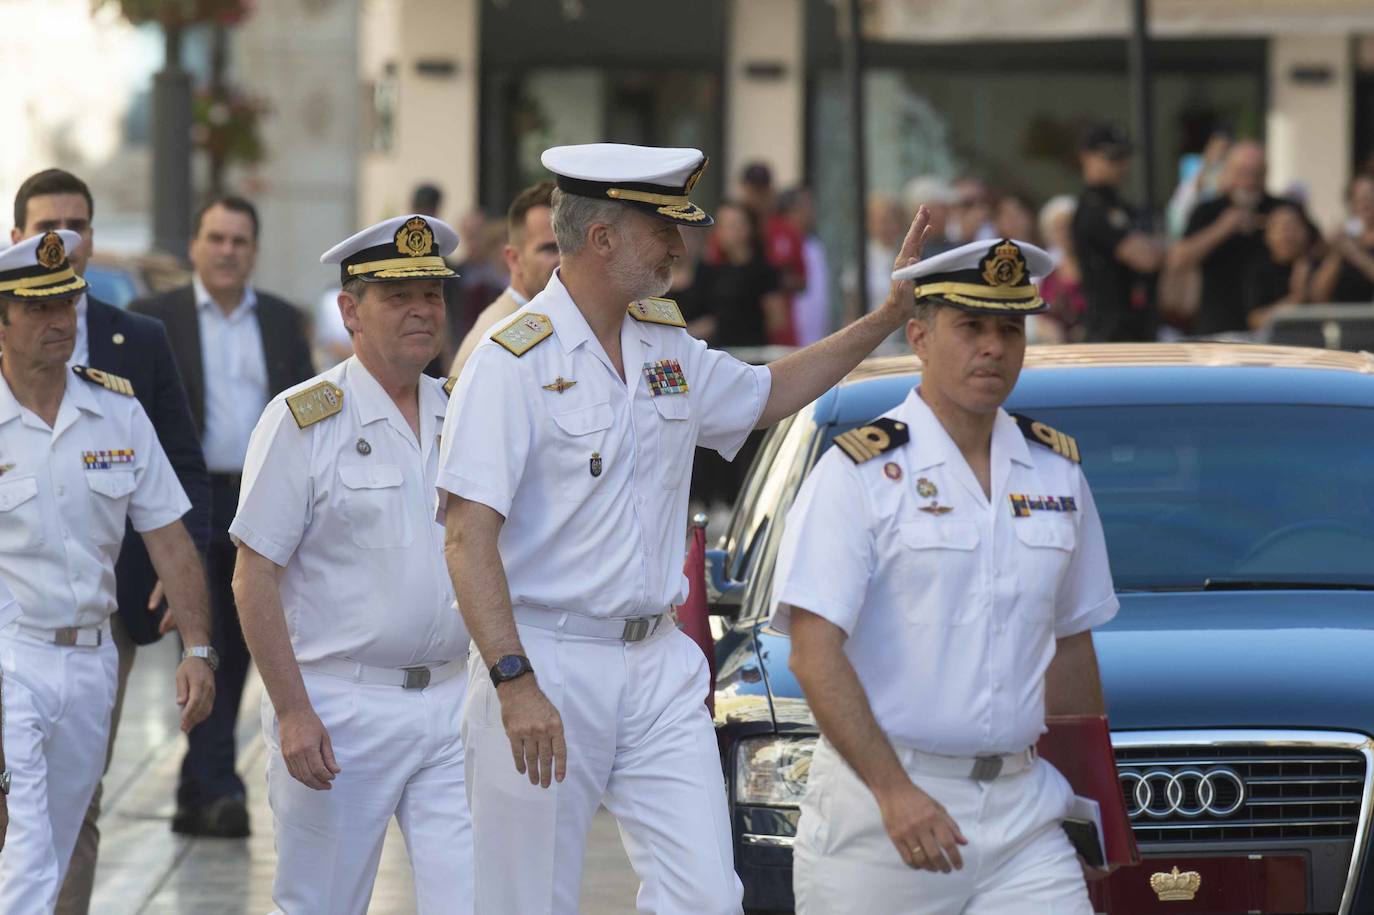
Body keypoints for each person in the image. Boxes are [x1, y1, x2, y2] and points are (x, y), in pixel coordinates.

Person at [438, 142, 930, 914]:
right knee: (525, 899)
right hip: (547, 660)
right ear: (601, 237)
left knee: (706, 893)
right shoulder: (510, 362)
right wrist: (513, 678)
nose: (679, 246)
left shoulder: (663, 341)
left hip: (658, 663)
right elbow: (467, 537)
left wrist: (889, 320)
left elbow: (769, 394)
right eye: (661, 228)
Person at [771, 237, 1119, 914]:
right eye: (972, 327)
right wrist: (894, 790)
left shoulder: (1057, 471)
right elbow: (814, 654)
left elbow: (1072, 646)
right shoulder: (860, 474)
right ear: (920, 338)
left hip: (1025, 813)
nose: (993, 346)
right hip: (882, 815)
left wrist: (1091, 805)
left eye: (1009, 328)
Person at [230, 214, 473, 914]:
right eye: (399, 295)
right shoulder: (302, 420)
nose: (423, 310)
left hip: (454, 703)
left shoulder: (463, 411)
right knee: (321, 903)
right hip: (341, 707)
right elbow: (253, 576)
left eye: (432, 293)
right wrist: (293, 710)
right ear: (350, 310)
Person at [9, 168, 212, 914]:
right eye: (39, 307)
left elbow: (168, 518)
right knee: (25, 829)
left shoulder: (117, 400)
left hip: (97, 641)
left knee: (65, 822)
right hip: (11, 646)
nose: (60, 318)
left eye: (66, 301)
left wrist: (199, 645)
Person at [131, 195, 315, 838]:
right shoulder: (155, 318)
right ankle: (214, 784)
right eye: (216, 238)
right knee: (200, 638)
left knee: (238, 646)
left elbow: (306, 420)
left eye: (239, 240)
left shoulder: (282, 321)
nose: (227, 251)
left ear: (254, 250)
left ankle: (201, 785)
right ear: (194, 246)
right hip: (184, 502)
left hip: (259, 500)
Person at [1170, 140, 1295, 335]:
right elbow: (1178, 259)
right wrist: (1224, 227)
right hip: (1219, 330)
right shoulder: (1208, 210)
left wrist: (1282, 231)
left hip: (1275, 330)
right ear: (1228, 172)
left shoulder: (1282, 209)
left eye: (1256, 173)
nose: (1249, 181)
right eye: (1242, 173)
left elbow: (1316, 248)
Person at [449, 181, 560, 378]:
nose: (562, 260)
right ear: (514, 259)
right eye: (549, 249)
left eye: (567, 247)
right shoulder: (494, 340)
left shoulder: (550, 316)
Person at [1072, 123, 1166, 342]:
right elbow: (1146, 258)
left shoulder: (1122, 206)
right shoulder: (1093, 208)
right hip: (1108, 332)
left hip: (1138, 328)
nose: (1121, 165)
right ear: (1087, 157)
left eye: (1124, 156)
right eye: (1112, 157)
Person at [1245, 202, 1316, 329]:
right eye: (1281, 228)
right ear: (1267, 235)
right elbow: (1256, 320)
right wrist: (1297, 297)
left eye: (1294, 227)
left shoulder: (1318, 264)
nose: (1287, 235)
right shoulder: (1259, 270)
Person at [779, 186, 833, 345]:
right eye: (804, 207)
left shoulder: (815, 246)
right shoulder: (780, 246)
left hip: (817, 338)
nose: (810, 212)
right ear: (790, 211)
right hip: (790, 341)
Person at [1312, 173, 1374, 304]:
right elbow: (1318, 294)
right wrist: (1337, 252)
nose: (1366, 203)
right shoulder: (1345, 238)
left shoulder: (1351, 248)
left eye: (1370, 196)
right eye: (1359, 198)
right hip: (1345, 318)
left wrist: (1355, 254)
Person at [1037, 195, 1086, 341]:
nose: (1066, 233)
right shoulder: (1046, 274)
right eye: (1058, 228)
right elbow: (1040, 317)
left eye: (1070, 226)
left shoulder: (1098, 269)